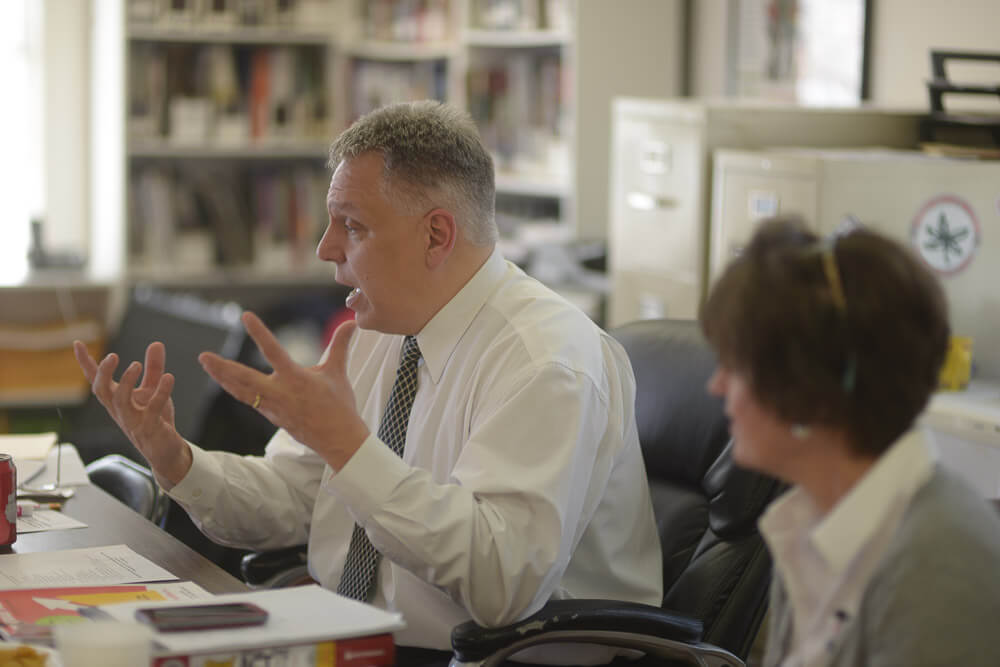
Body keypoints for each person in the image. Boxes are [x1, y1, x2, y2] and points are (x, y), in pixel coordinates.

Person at [73, 101, 662, 665]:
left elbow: (502, 588)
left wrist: (346, 448)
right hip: (349, 637)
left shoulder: (544, 360)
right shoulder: (379, 330)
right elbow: (292, 496)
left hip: (490, 658)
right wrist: (175, 458)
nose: (326, 249)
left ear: (437, 235)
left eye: (351, 226)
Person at [700, 216, 1000, 667]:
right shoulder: (808, 521)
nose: (717, 386)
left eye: (735, 366)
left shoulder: (938, 561)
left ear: (809, 386)